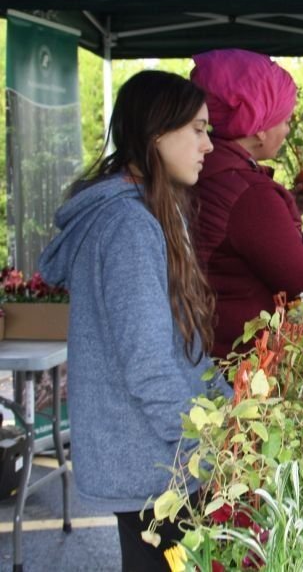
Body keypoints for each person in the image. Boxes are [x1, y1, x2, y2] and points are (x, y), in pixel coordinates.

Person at [39, 71, 226, 571]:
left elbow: (176, 346)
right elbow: (147, 364)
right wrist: (208, 447)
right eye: (198, 129)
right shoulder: (127, 227)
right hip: (157, 464)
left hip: (153, 457)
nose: (208, 145)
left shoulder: (144, 213)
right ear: (158, 134)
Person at [190, 49, 303, 360]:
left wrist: (288, 214)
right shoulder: (250, 193)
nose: (287, 130)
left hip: (203, 345)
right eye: (284, 120)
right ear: (259, 125)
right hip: (239, 362)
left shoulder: (207, 168)